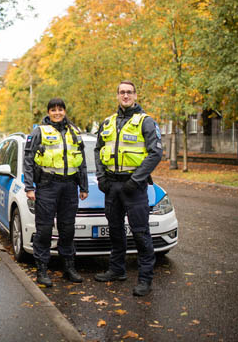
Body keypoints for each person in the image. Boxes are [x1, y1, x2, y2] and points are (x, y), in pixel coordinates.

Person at [93, 80, 163, 296]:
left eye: (129, 92)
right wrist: (101, 177)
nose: (125, 95)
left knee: (141, 233)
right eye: (122, 92)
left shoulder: (146, 122)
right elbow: (98, 150)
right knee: (115, 231)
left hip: (135, 186)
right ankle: (116, 270)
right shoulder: (107, 122)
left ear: (135, 95)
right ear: (117, 95)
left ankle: (145, 279)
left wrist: (136, 180)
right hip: (111, 185)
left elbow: (156, 153)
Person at [23, 98, 89, 287]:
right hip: (47, 186)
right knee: (44, 230)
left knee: (67, 229)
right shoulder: (39, 132)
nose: (57, 113)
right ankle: (42, 270)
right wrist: (29, 187)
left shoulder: (74, 132)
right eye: (53, 110)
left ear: (65, 111)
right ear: (49, 112)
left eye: (60, 109)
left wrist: (83, 186)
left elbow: (81, 160)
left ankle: (68, 268)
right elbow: (28, 160)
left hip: (69, 186)